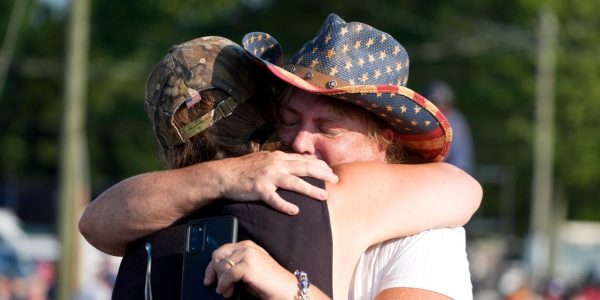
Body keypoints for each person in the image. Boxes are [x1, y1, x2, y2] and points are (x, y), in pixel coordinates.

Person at [79, 14, 482, 299]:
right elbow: (96, 222)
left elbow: (464, 188)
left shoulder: (428, 233)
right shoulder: (248, 188)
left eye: (328, 128)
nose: (302, 142)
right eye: (288, 119)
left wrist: (291, 290)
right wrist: (227, 174)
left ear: (384, 140)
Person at [423, 80, 475, 174]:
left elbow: (460, 164)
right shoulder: (425, 121)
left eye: (438, 103)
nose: (434, 108)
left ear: (448, 105)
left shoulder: (456, 124)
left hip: (451, 177)